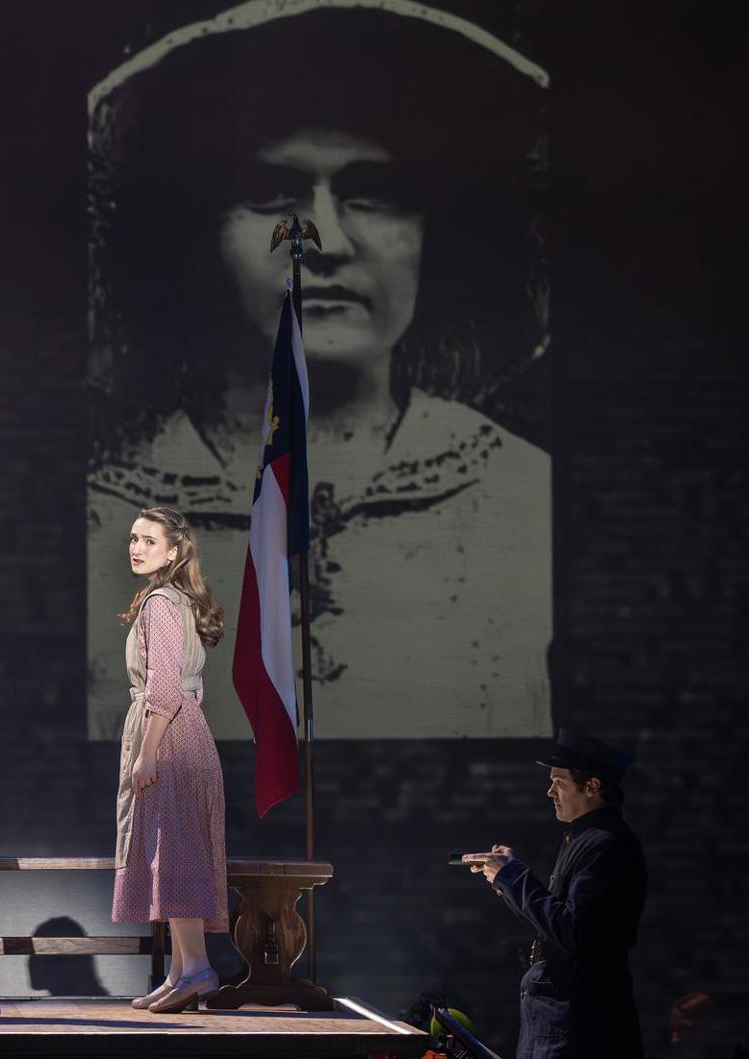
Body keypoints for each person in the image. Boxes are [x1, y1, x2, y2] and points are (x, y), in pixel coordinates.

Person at [83, 0, 552, 743]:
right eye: (271, 194)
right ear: (193, 232)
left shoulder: (525, 498)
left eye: (380, 194)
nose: (325, 240)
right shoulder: (107, 516)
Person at [464, 731, 646, 1059]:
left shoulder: (605, 844)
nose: (550, 792)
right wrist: (504, 879)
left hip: (581, 1033)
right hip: (575, 1034)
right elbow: (557, 923)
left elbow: (572, 931)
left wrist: (513, 877)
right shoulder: (586, 838)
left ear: (591, 787)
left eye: (559, 782)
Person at [109, 508, 229, 1014]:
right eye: (133, 539)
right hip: (186, 731)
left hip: (170, 736)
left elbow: (162, 687)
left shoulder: (161, 602)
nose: (136, 548)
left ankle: (198, 969)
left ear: (174, 551)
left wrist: (147, 751)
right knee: (174, 851)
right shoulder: (173, 599)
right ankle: (182, 971)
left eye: (149, 541)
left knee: (176, 853)